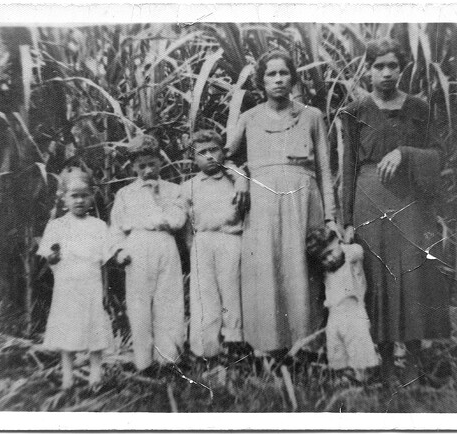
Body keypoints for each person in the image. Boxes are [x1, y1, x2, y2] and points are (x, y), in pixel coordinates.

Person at [339, 38, 450, 384]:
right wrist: (346, 220)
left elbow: (437, 154)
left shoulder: (418, 107)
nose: (387, 73)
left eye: (393, 66)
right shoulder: (355, 112)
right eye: (379, 66)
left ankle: (414, 364)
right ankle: (384, 365)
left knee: (412, 278)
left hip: (408, 202)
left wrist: (405, 152)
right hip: (368, 200)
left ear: (402, 70)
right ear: (368, 70)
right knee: (376, 278)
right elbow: (348, 166)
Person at [226, 49, 338, 356]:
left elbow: (325, 170)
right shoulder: (249, 118)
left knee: (302, 268)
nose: (278, 80)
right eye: (271, 74)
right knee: (265, 265)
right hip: (262, 201)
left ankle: (306, 346)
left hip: (303, 199)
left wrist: (330, 217)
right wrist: (240, 178)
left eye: (283, 73)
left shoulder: (312, 116)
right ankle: (267, 347)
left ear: (293, 77)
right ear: (261, 82)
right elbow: (228, 158)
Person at [109, 135, 187, 372]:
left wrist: (157, 198)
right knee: (139, 303)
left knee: (169, 300)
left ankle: (169, 358)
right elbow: (116, 227)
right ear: (133, 167)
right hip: (138, 246)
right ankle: (143, 361)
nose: (148, 170)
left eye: (152, 163)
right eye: (141, 166)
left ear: (160, 162)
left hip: (165, 243)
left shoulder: (174, 190)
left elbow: (177, 220)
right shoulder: (125, 194)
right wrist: (120, 251)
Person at [37, 167, 114, 389]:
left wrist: (106, 292)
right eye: (74, 195)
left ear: (92, 196)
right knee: (67, 329)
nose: (79, 200)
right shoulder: (57, 225)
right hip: (67, 286)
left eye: (84, 195)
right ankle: (67, 376)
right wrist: (53, 256)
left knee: (95, 328)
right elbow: (50, 259)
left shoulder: (98, 226)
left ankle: (95, 375)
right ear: (63, 198)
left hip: (91, 285)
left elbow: (105, 261)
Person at [181, 130, 245, 359]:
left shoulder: (235, 181)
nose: (209, 156)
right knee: (204, 294)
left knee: (232, 292)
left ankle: (234, 344)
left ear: (222, 151)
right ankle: (206, 349)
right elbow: (187, 224)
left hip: (230, 239)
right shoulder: (189, 186)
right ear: (194, 158)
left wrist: (238, 176)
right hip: (203, 241)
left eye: (213, 150)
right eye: (202, 152)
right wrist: (192, 248)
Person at [306, 227, 379, 382]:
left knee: (358, 345)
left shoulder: (351, 257)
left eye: (332, 251)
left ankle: (362, 377)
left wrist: (343, 243)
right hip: (334, 313)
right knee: (336, 347)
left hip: (352, 309)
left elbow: (357, 250)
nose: (330, 258)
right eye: (324, 257)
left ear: (339, 243)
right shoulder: (327, 269)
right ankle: (344, 377)